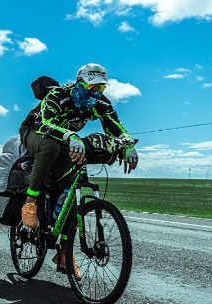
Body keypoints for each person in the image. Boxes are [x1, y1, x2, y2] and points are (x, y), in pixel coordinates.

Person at [18, 63, 138, 278]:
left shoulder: (100, 103)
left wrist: (128, 144)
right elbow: (44, 124)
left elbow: (115, 127)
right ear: (80, 83)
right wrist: (71, 136)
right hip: (35, 132)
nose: (96, 93)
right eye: (92, 87)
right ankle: (30, 202)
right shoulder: (59, 96)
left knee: (69, 191)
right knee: (50, 147)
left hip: (64, 138)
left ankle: (64, 252)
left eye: (100, 88)